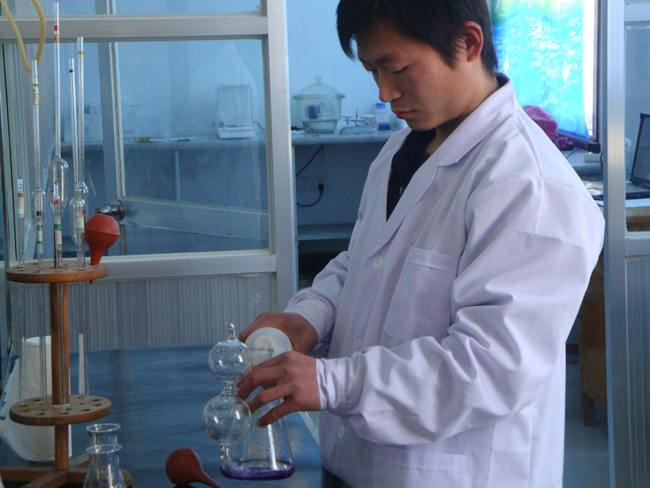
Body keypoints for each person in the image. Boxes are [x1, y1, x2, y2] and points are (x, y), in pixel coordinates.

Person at [236, 1, 605, 486]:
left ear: (468, 42)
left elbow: (491, 368)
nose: (385, 92)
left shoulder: (530, 186)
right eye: (372, 71)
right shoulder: (401, 150)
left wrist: (332, 382)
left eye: (396, 68)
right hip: (354, 465)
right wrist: (311, 316)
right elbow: (363, 264)